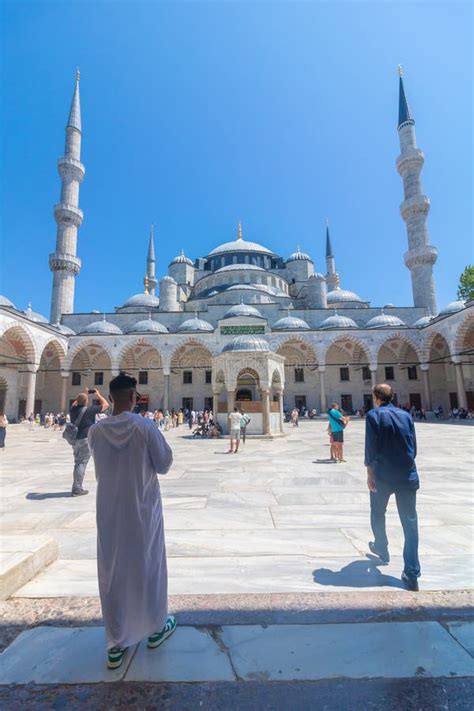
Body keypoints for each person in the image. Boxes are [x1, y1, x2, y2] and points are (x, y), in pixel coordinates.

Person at [88, 373, 175, 670]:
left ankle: (116, 643)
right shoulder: (145, 426)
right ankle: (155, 628)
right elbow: (163, 464)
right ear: (135, 397)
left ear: (111, 398)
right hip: (142, 509)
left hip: (109, 512)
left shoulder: (96, 432)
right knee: (148, 566)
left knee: (112, 572)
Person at [365, 383, 420, 591]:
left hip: (383, 476)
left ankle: (382, 547)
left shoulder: (373, 415)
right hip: (407, 474)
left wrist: (370, 473)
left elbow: (371, 447)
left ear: (376, 397)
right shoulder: (406, 415)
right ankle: (412, 573)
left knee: (378, 512)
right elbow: (413, 447)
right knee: (410, 522)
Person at [69, 388, 109, 496]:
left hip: (75, 440)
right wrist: (98, 394)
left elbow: (75, 403)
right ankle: (77, 488)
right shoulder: (89, 410)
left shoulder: (72, 410)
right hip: (85, 439)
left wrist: (84, 394)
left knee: (78, 462)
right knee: (81, 463)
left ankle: (76, 486)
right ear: (86, 401)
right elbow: (106, 405)